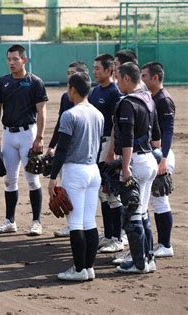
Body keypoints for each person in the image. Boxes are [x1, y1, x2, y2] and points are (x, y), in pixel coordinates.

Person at [48, 72, 104, 281]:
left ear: (72, 89)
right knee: (89, 221)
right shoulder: (98, 114)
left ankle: (79, 269)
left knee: (75, 223)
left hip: (75, 171)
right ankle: (88, 268)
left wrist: (53, 178)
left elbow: (61, 149)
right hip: (93, 171)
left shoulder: (70, 115)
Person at [0, 44, 48, 236]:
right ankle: (10, 221)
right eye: (9, 59)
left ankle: (36, 222)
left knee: (32, 179)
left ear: (24, 60)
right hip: (8, 134)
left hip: (27, 134)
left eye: (15, 59)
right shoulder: (2, 82)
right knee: (9, 179)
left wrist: (39, 137)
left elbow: (41, 111)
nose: (11, 63)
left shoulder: (35, 82)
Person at [111, 62, 161, 273]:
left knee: (132, 215)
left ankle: (138, 264)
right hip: (149, 159)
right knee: (141, 212)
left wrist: (125, 168)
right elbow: (156, 135)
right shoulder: (148, 97)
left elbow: (127, 139)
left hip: (136, 163)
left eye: (118, 78)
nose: (117, 83)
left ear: (127, 79)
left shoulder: (128, 103)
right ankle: (148, 259)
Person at [46, 61, 89, 238]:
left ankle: (85, 226)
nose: (69, 76)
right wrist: (51, 145)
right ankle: (73, 225)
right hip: (66, 145)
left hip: (84, 149)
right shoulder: (66, 97)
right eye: (68, 73)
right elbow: (60, 124)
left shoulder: (88, 98)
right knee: (69, 189)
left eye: (73, 73)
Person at [89, 54, 125, 253]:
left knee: (111, 192)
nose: (95, 71)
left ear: (109, 70)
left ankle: (118, 238)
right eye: (93, 68)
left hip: (107, 145)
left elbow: (116, 125)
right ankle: (109, 234)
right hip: (96, 145)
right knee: (103, 193)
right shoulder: (95, 92)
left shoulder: (114, 93)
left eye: (97, 69)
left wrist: (111, 152)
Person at [141, 61, 176, 258]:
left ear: (155, 77)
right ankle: (162, 244)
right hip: (154, 154)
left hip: (161, 154)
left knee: (160, 201)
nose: (143, 79)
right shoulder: (151, 97)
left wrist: (163, 158)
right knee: (155, 201)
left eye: (145, 76)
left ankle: (165, 245)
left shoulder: (163, 99)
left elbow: (168, 130)